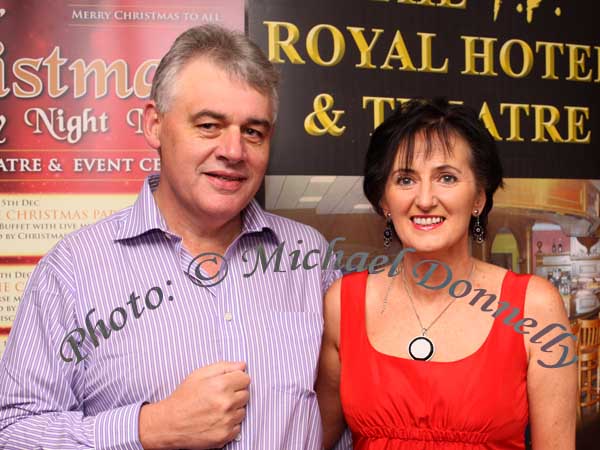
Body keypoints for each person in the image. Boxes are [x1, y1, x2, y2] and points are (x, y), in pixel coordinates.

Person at [0, 25, 350, 449]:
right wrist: (147, 429)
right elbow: (13, 432)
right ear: (154, 125)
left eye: (253, 131)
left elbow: (344, 415)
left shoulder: (309, 256)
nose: (234, 151)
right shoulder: (73, 269)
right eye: (208, 125)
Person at [316, 98, 577, 450]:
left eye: (447, 178)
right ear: (383, 201)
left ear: (479, 199)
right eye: (405, 179)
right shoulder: (342, 302)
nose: (425, 199)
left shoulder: (535, 305)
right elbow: (311, 437)